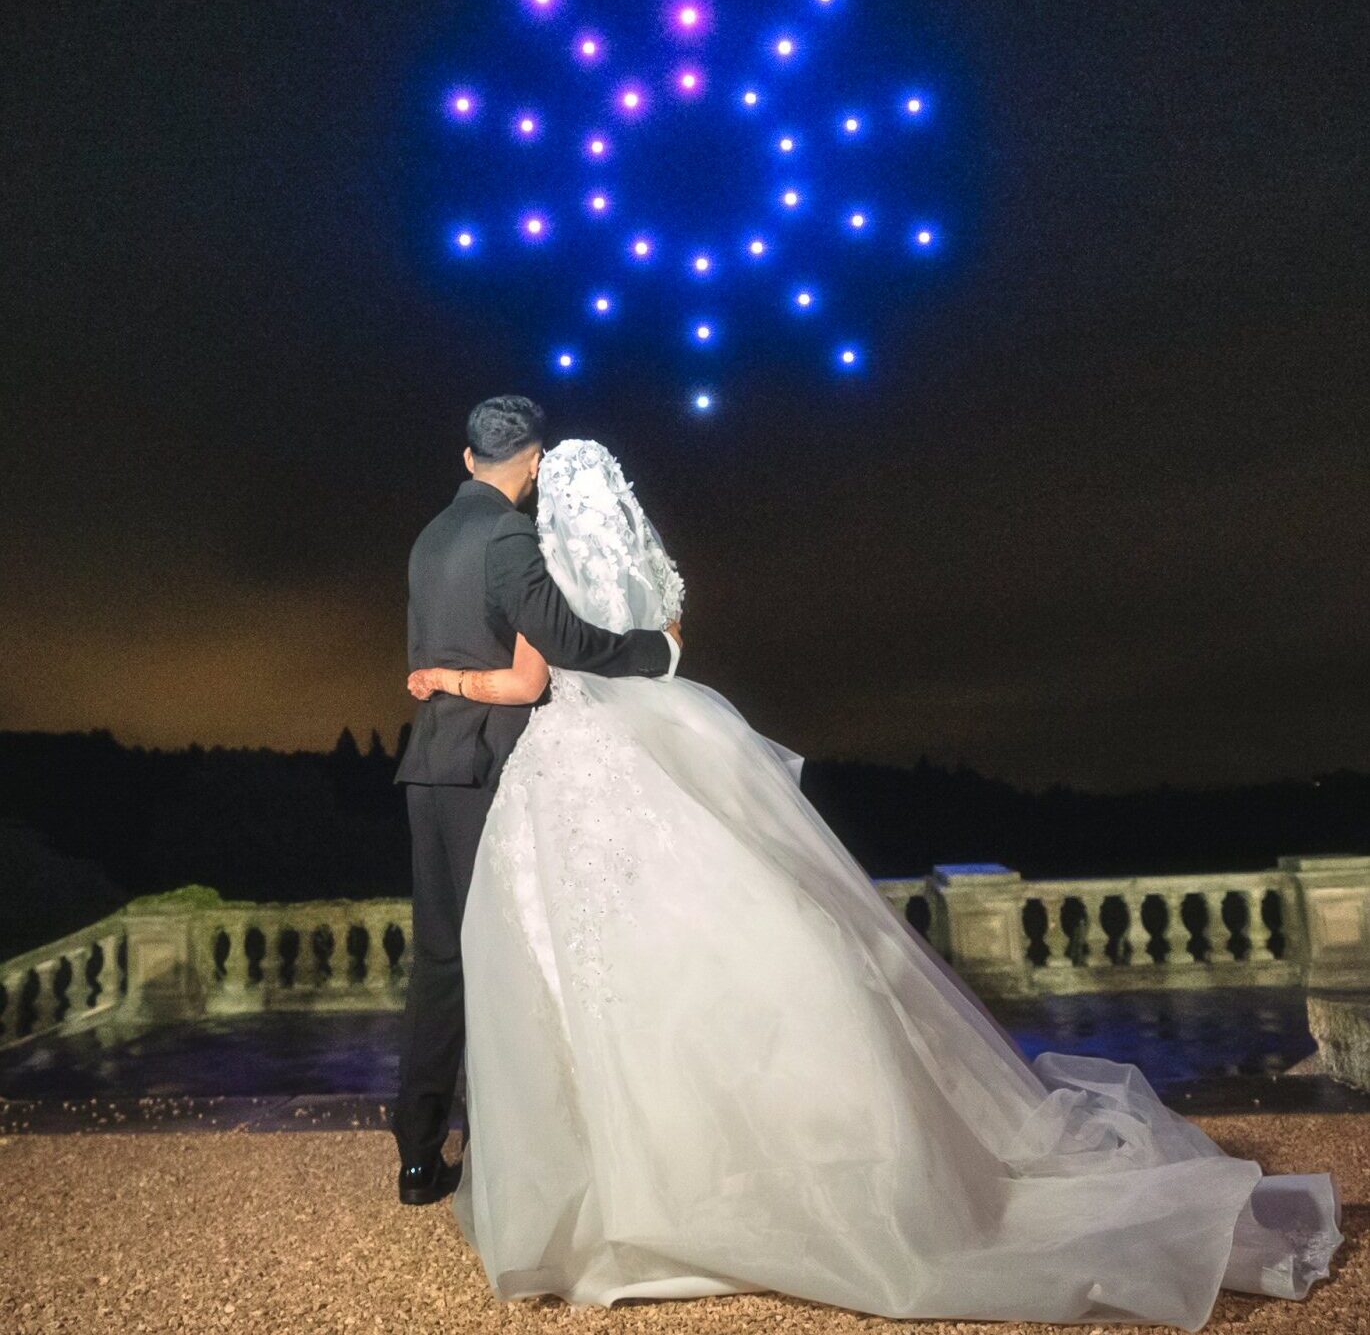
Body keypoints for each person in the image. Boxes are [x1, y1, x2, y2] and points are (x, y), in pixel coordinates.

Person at [408, 437, 1343, 1329]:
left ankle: (630, 1187)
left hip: (573, 766)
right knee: (724, 928)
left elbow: (531, 682)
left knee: (583, 959)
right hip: (676, 739)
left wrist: (445, 675)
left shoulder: (537, 572)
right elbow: (671, 641)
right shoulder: (646, 576)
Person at [391, 399, 681, 1206]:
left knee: (439, 959)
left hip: (430, 762)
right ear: (535, 460)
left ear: (467, 457)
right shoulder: (509, 535)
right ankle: (503, 1150)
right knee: (505, 955)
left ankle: (418, 1157)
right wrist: (656, 651)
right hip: (492, 763)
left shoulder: (430, 536)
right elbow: (565, 640)